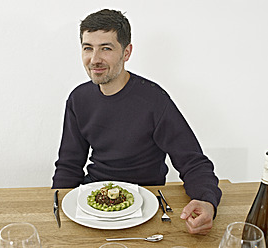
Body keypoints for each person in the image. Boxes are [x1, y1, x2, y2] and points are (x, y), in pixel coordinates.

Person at [52, 9, 222, 235]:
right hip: (93, 201)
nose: (95, 59)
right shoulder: (78, 99)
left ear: (127, 52)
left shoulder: (154, 100)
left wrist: (207, 202)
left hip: (147, 204)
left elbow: (193, 162)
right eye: (88, 48)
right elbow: (68, 165)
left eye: (106, 48)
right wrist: (57, 210)